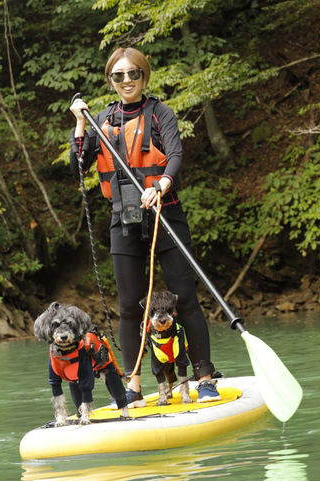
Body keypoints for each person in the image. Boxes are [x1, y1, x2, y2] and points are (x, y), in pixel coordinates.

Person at [68, 47, 221, 404]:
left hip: (166, 215)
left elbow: (176, 156)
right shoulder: (99, 120)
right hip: (124, 221)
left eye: (132, 74)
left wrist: (161, 184)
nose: (126, 81)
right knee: (129, 308)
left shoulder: (160, 113)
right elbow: (79, 166)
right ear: (110, 80)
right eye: (118, 76)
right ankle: (133, 384)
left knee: (185, 300)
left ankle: (204, 376)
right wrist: (78, 122)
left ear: (143, 76)